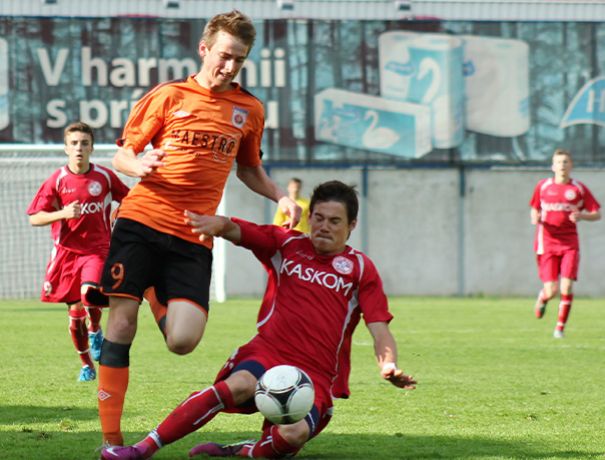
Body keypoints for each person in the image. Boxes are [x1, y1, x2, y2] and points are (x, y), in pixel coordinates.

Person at [96, 10, 301, 447]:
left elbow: (249, 169)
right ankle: (112, 440)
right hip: (142, 220)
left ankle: (150, 289)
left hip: (193, 236)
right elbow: (123, 156)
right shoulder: (168, 96)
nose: (229, 67)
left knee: (183, 342)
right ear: (204, 49)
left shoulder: (249, 109)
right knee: (122, 325)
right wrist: (140, 163)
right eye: (224, 56)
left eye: (239, 60)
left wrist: (281, 196)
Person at [100, 180, 416, 460]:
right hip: (268, 352)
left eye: (335, 221)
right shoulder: (288, 244)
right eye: (318, 218)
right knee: (235, 387)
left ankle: (244, 450)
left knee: (292, 436)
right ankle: (143, 449)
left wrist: (387, 364)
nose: (324, 226)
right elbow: (239, 231)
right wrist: (213, 223)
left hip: (316, 372)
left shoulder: (361, 269)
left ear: (352, 225)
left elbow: (380, 329)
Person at [26, 121, 130, 382]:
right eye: (74, 143)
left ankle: (96, 330)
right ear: (65, 149)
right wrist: (62, 213)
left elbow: (129, 198)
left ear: (92, 147)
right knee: (74, 316)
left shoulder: (104, 177)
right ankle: (86, 365)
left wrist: (121, 214)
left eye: (84, 143)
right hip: (66, 254)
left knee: (89, 293)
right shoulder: (57, 180)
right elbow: (34, 218)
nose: (79, 148)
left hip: (97, 250)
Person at [529, 148, 601, 338]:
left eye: (566, 162)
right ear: (553, 166)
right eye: (559, 162)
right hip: (547, 243)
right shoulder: (543, 186)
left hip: (570, 243)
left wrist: (582, 216)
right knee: (551, 290)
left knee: (566, 287)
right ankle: (543, 298)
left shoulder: (577, 188)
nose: (562, 165)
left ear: (571, 165)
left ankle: (559, 328)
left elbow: (597, 213)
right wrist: (535, 217)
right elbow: (534, 208)